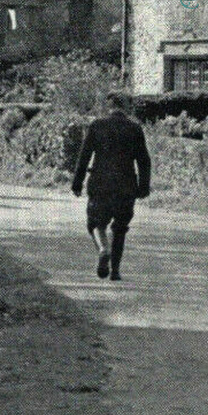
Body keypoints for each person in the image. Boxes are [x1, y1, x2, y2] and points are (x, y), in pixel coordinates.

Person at [71, 91, 150, 281]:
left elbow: (84, 156)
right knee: (120, 228)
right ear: (126, 108)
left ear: (109, 107)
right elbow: (144, 161)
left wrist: (77, 181)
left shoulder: (97, 125)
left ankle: (103, 248)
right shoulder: (135, 129)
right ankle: (115, 271)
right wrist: (143, 187)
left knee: (95, 223)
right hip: (126, 185)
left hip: (100, 183)